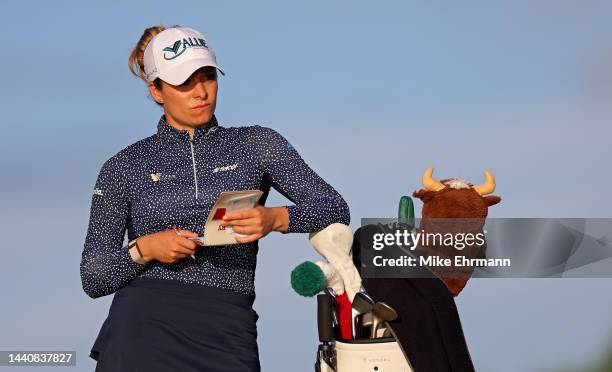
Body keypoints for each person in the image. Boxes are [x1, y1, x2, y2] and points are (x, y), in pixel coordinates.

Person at [80, 25, 350, 372]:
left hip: (228, 328)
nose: (200, 92)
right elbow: (93, 276)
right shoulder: (123, 166)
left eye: (207, 77)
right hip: (143, 328)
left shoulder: (258, 144)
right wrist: (145, 249)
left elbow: (334, 207)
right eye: (184, 83)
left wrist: (275, 219)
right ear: (157, 90)